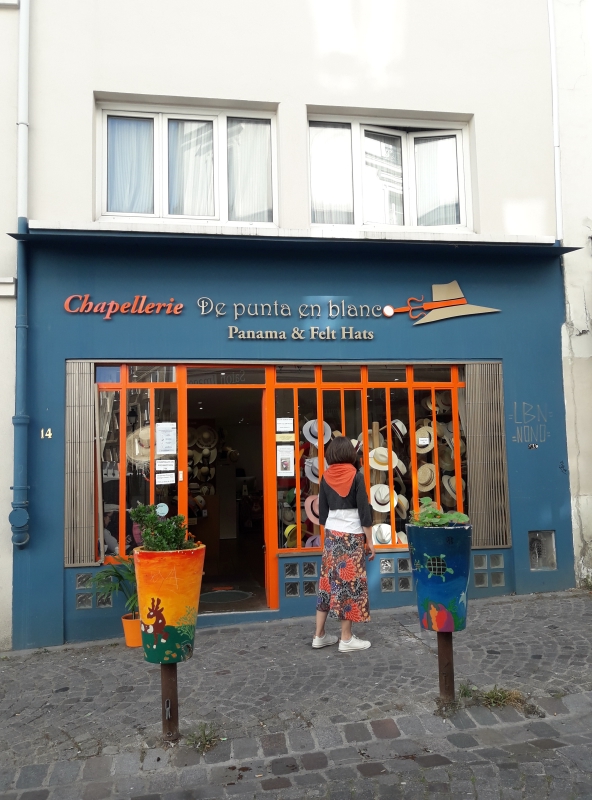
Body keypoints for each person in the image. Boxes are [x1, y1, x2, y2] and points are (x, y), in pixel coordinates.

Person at [313, 436, 375, 652]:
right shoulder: (356, 476)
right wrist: (370, 541)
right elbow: (364, 512)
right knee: (348, 585)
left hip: (331, 535)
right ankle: (346, 639)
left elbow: (322, 514)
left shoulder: (325, 477)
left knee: (327, 584)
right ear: (350, 453)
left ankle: (319, 635)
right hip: (352, 536)